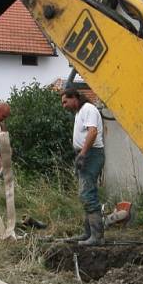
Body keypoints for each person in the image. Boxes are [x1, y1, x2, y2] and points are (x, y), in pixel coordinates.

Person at [61, 88, 105, 245]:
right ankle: (88, 234)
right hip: (87, 154)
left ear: (75, 98)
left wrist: (83, 154)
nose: (63, 105)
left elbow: (92, 132)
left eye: (65, 101)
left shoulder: (88, 109)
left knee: (87, 194)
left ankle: (97, 237)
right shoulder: (80, 112)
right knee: (84, 194)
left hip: (91, 154)